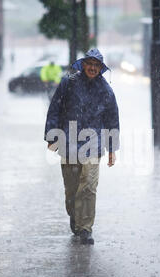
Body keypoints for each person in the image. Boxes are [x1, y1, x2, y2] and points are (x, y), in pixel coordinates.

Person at [44, 48, 120, 245]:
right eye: (90, 64)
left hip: (93, 144)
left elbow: (112, 120)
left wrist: (112, 149)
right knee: (72, 189)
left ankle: (85, 228)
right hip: (68, 141)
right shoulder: (68, 84)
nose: (93, 68)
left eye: (97, 65)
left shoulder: (106, 91)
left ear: (101, 69)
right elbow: (55, 108)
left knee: (88, 186)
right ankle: (75, 217)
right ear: (83, 64)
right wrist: (51, 137)